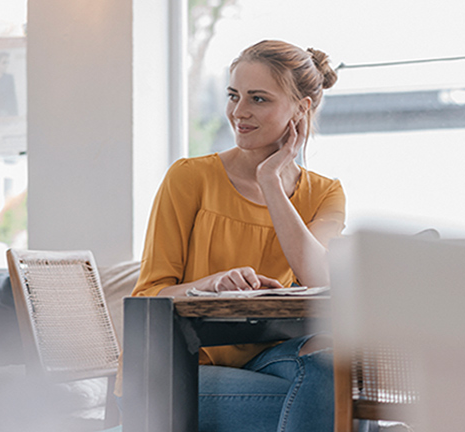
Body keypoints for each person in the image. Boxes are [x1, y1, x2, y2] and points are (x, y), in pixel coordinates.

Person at [127, 40, 345, 432]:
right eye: (233, 96)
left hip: (268, 355)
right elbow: (149, 297)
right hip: (180, 365)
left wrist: (271, 184)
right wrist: (211, 284)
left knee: (334, 373)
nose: (238, 112)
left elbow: (320, 279)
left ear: (301, 108)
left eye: (258, 99)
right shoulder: (190, 177)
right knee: (340, 410)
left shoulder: (325, 193)